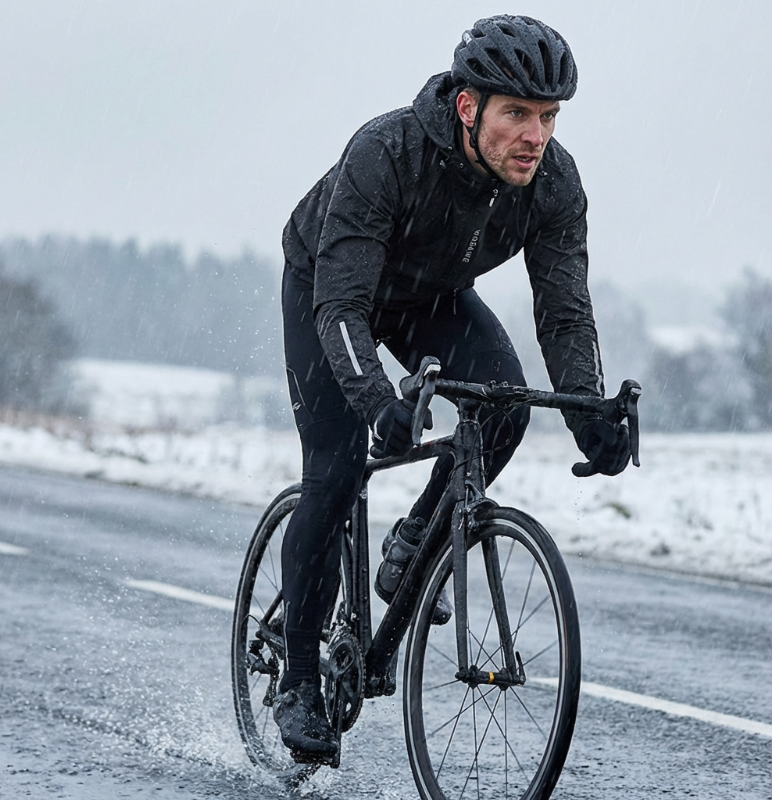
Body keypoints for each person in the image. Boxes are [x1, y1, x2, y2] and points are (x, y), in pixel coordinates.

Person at [273, 14, 630, 762]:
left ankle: (414, 540)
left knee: (503, 407)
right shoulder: (387, 152)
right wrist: (381, 405)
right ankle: (300, 677)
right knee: (336, 472)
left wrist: (590, 412)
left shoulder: (553, 182)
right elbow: (341, 307)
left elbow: (565, 312)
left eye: (549, 117)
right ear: (469, 108)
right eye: (517, 115)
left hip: (428, 295)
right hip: (330, 290)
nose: (536, 136)